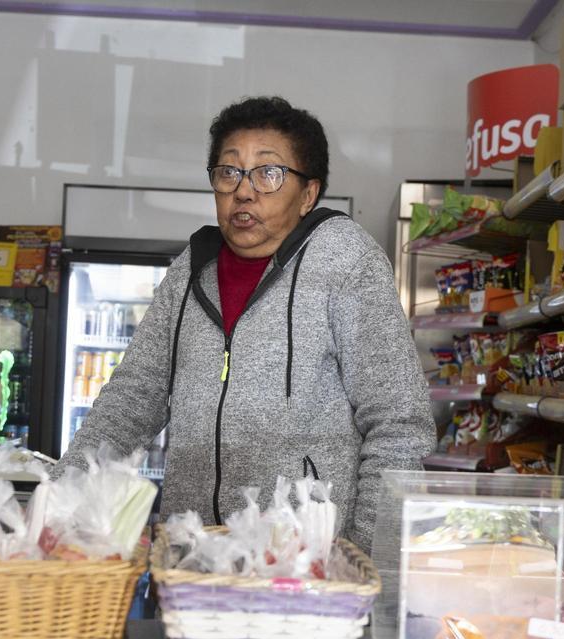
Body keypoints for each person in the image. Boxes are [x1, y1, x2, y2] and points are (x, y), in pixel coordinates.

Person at [52, 96, 434, 551]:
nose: (244, 191)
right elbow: (130, 402)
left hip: (305, 571)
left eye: (268, 173)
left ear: (308, 194)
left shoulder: (346, 261)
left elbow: (399, 425)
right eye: (228, 172)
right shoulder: (190, 272)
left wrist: (363, 556)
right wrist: (55, 506)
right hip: (192, 559)